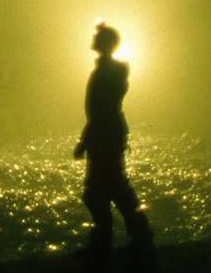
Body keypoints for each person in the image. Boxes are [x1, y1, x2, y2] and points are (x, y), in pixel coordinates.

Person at [74, 22, 152, 261]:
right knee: (108, 189)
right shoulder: (111, 70)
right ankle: (135, 239)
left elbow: (101, 110)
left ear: (106, 43)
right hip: (107, 135)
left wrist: (86, 140)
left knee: (106, 189)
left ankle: (122, 243)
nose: (93, 39)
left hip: (104, 136)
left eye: (98, 36)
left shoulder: (108, 72)